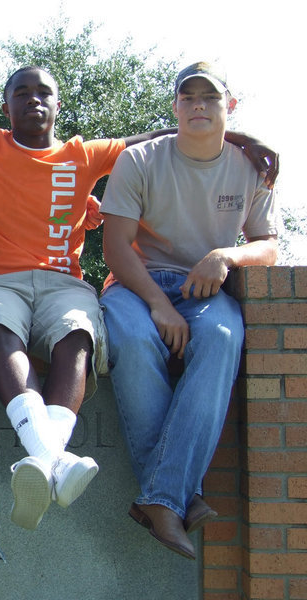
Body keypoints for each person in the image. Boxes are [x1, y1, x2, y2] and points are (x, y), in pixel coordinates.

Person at [0, 66, 277, 533]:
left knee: (79, 334)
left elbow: (165, 133)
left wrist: (238, 137)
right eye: (22, 93)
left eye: (45, 93)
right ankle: (54, 461)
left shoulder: (88, 153)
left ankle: (54, 460)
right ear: (6, 107)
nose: (34, 100)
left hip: (65, 283)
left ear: (60, 105)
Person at [99, 62, 278, 559]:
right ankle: (182, 495)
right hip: (136, 285)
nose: (199, 105)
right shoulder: (140, 160)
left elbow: (268, 245)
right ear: (175, 107)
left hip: (205, 291)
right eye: (188, 97)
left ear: (230, 106)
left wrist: (226, 255)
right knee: (133, 340)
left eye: (211, 97)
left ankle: (160, 499)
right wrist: (158, 304)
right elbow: (116, 248)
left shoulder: (251, 167)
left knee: (222, 338)